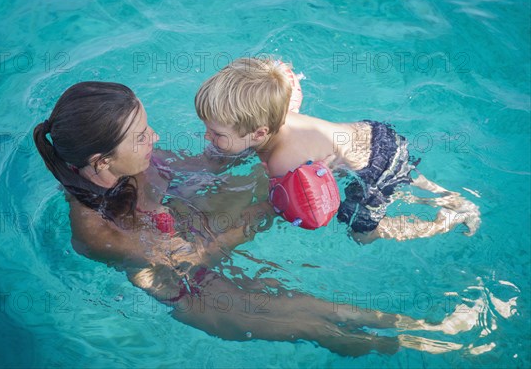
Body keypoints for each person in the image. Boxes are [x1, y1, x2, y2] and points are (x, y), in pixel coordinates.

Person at [34, 81, 479, 357]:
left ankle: (424, 327)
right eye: (140, 136)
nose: (154, 137)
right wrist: (271, 205)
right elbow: (192, 259)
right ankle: (429, 340)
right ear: (100, 162)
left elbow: (202, 170)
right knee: (311, 322)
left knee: (325, 303)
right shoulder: (96, 233)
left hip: (189, 232)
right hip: (194, 290)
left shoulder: (135, 163)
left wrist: (268, 126)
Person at [194, 57, 481, 243]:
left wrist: (255, 211)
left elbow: (286, 205)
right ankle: (450, 198)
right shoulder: (277, 112)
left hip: (375, 170)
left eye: (217, 133)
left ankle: (445, 221)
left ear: (259, 132)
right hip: (375, 136)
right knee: (407, 177)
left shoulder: (283, 160)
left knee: (361, 233)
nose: (206, 136)